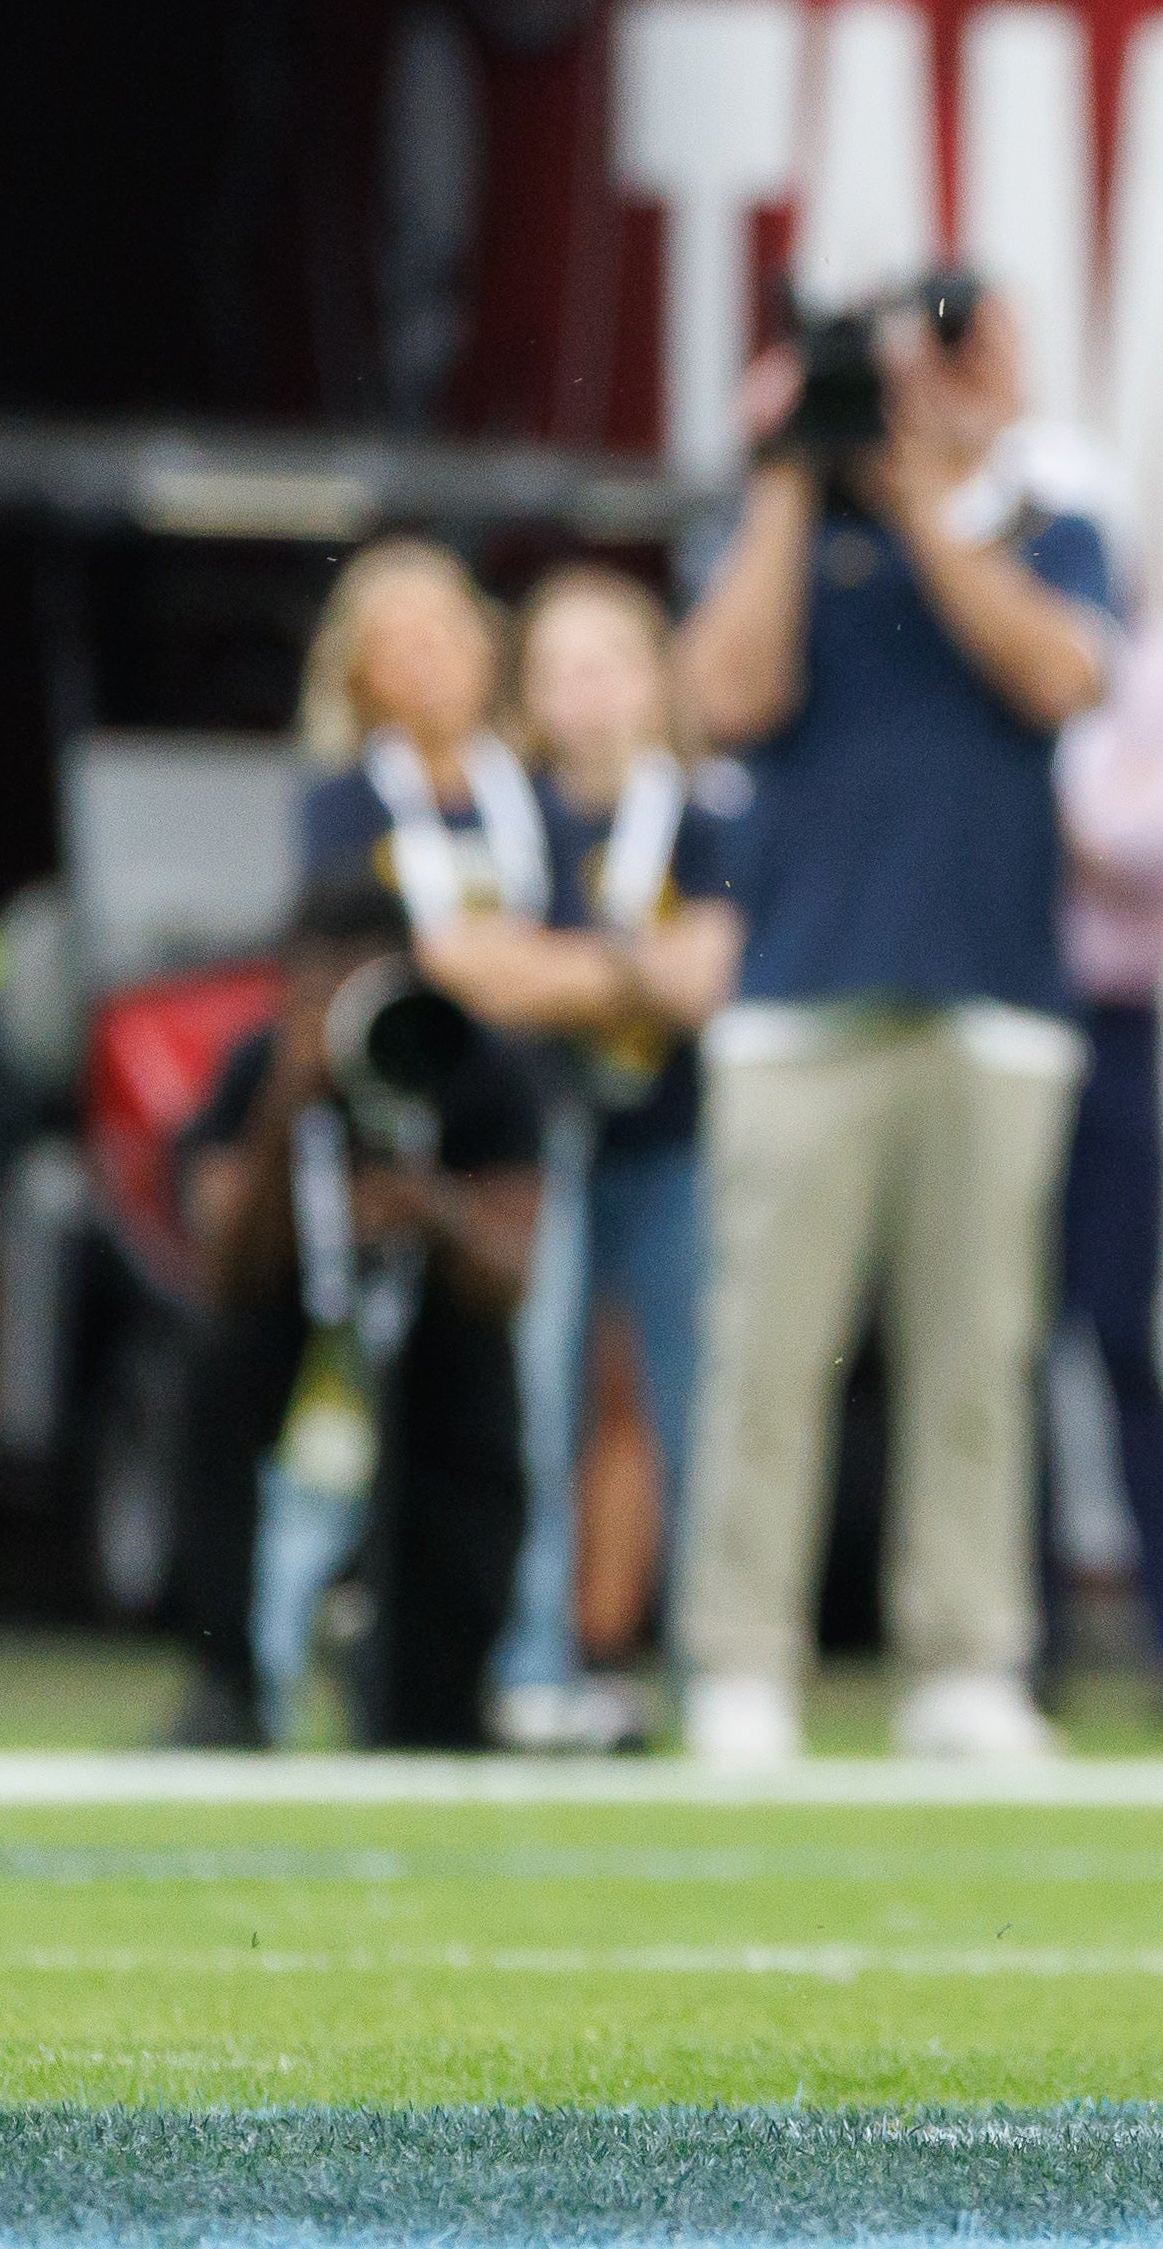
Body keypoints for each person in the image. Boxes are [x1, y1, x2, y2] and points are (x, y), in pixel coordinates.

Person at [670, 277, 1117, 1769]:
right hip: (797, 996)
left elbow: (1059, 675)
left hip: (993, 999)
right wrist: (796, 478)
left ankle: (965, 1660)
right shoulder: (774, 527)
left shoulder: (1043, 521)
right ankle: (741, 1662)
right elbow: (726, 695)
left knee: (977, 1355)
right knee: (765, 1356)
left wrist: (933, 489)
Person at [290, 540, 632, 1750]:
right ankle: (291, 1644)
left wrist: (488, 967)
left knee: (526, 1401)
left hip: (513, 1142)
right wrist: (510, 966)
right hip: (382, 1136)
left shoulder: (525, 793)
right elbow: (360, 957)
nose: (433, 661)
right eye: (405, 640)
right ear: (366, 670)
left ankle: (521, 1657)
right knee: (344, 1393)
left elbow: (600, 965)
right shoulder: (342, 797)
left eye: (450, 632)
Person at [164, 876, 545, 1749]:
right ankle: (228, 1679)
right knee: (213, 1367)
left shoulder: (468, 1060)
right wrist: (286, 1105)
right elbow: (221, 1266)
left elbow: (511, 1273)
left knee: (481, 1392)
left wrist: (430, 1210)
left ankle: (436, 1684)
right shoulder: (260, 1064)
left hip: (430, 1327)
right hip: (293, 1314)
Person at [502, 569, 744, 1712]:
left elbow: (704, 976)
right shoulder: (512, 814)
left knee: (689, 1397)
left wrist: (569, 976)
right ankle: (534, 1655)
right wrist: (629, 974)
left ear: (656, 680)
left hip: (673, 1139)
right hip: (545, 1138)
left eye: (603, 665)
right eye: (556, 670)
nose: (581, 695)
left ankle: (711, 1660)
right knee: (536, 1397)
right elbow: (489, 973)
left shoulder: (705, 813)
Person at [1041, 607, 1163, 1724]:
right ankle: (1031, 1643)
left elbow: (1147, 840)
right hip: (1008, 1009)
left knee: (1124, 1334)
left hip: (1115, 1020)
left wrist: (1057, 799)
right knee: (1005, 1345)